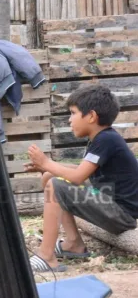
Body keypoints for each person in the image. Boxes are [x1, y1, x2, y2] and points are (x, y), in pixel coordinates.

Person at [24, 84, 138, 273]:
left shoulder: (106, 139)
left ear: (91, 116)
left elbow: (77, 177)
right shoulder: (101, 139)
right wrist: (47, 167)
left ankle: (46, 255)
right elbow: (82, 171)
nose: (69, 120)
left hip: (121, 215)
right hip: (110, 206)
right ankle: (73, 243)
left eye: (73, 113)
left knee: (55, 185)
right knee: (51, 176)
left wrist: (46, 162)